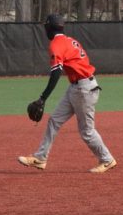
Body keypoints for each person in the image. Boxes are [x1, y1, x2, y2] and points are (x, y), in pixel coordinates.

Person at [18, 13, 116, 173]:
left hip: (84, 89)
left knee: (87, 131)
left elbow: (56, 73)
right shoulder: (70, 40)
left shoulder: (56, 44)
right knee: (54, 121)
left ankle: (107, 159)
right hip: (77, 87)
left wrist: (43, 98)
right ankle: (40, 158)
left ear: (49, 28)